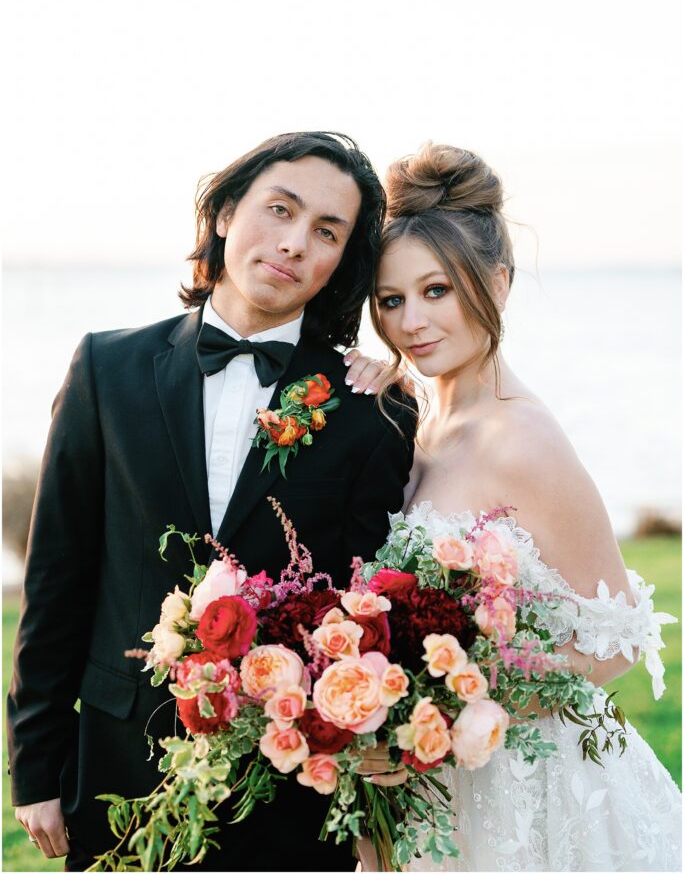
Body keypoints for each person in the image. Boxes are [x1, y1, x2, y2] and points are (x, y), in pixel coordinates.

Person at [7, 131, 416, 873]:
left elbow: (371, 616)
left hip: (286, 783)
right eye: (279, 210)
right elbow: (58, 576)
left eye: (325, 232)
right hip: (119, 766)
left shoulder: (372, 411)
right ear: (227, 212)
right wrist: (35, 767)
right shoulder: (107, 366)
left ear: (341, 262)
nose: (293, 243)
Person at [355, 141, 681, 871]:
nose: (412, 322)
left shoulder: (521, 438)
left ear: (497, 284)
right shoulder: (413, 419)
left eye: (437, 290)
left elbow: (618, 640)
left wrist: (447, 705)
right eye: (391, 299)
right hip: (432, 786)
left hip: (529, 788)